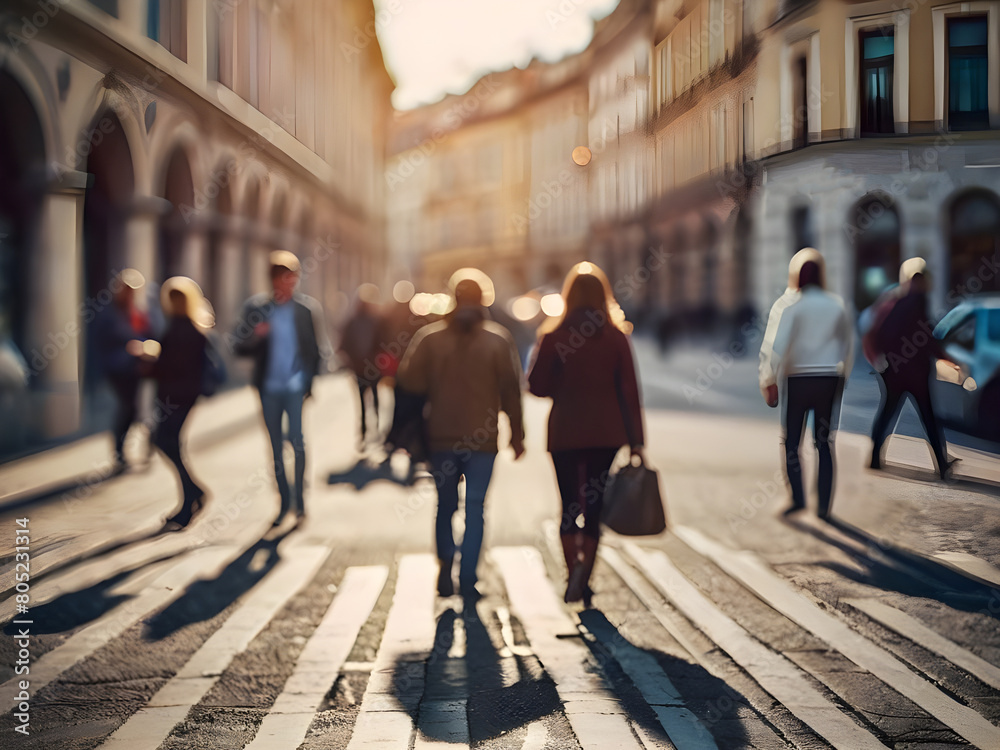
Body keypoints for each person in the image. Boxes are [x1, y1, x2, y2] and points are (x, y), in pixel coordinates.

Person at [398, 268, 525, 599]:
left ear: (453, 298)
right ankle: (469, 576)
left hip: (441, 437)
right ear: (484, 300)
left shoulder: (430, 338)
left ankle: (444, 568)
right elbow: (512, 391)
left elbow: (409, 385)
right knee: (476, 508)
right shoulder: (498, 340)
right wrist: (518, 434)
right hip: (483, 440)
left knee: (445, 505)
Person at [527, 262, 644, 606]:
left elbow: (536, 387)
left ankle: (571, 570)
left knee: (568, 505)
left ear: (568, 297)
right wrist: (637, 441)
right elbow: (629, 391)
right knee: (594, 506)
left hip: (565, 431)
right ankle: (585, 575)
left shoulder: (553, 337)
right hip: (606, 434)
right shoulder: (616, 338)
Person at [233, 251, 331, 526]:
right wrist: (255, 337)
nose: (288, 283)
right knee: (275, 447)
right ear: (273, 280)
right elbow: (238, 346)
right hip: (268, 387)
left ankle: (300, 501)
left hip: (295, 387)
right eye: (283, 278)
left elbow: (316, 350)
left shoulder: (306, 309)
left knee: (298, 442)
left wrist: (310, 384)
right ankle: (284, 501)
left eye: (292, 277)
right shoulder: (257, 309)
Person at [768, 259, 854, 518]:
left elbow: (778, 346)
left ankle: (798, 499)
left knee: (792, 441)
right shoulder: (836, 304)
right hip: (828, 377)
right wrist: (842, 377)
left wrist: (770, 380)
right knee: (824, 442)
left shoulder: (793, 306)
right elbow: (848, 344)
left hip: (798, 379)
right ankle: (824, 506)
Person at [867, 258, 959, 479]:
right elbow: (925, 336)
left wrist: (885, 359)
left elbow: (882, 333)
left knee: (887, 414)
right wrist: (943, 357)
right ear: (920, 281)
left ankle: (873, 459)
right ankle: (943, 466)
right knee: (929, 418)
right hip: (914, 373)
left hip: (894, 371)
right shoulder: (917, 300)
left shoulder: (897, 300)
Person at [151, 277, 219, 530]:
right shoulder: (186, 326)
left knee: (165, 441)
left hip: (177, 396)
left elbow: (174, 366)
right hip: (179, 395)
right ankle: (192, 493)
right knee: (168, 442)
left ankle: (192, 494)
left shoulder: (184, 328)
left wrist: (151, 360)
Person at [93, 268, 151, 473]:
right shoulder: (109, 313)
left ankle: (128, 449)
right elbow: (102, 340)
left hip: (136, 367)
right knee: (128, 407)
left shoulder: (136, 312)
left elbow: (148, 333)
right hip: (118, 367)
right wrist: (127, 346)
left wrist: (143, 345)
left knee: (133, 408)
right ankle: (119, 450)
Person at [759, 247, 825, 408]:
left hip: (796, 374)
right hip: (827, 374)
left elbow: (773, 345)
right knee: (822, 430)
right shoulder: (832, 305)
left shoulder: (784, 305)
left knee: (794, 428)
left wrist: (768, 378)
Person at [338, 284, 384, 448]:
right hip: (364, 367)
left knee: (368, 399)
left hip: (367, 367)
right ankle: (369, 428)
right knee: (368, 399)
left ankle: (371, 427)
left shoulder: (373, 321)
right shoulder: (365, 321)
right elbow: (345, 344)